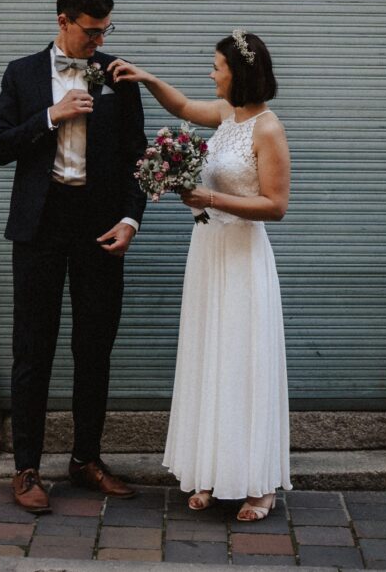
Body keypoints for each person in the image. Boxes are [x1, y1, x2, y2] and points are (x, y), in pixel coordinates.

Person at [109, 30, 292, 522]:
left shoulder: (268, 129)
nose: (211, 75)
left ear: (239, 73)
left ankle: (257, 486)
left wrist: (210, 197)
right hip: (208, 251)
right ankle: (212, 471)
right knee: (211, 359)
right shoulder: (228, 115)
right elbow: (185, 107)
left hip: (243, 256)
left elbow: (276, 205)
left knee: (241, 362)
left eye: (217, 67)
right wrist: (147, 78)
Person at [0, 0, 147, 513]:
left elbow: (138, 157)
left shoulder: (118, 76)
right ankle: (27, 468)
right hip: (41, 225)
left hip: (100, 228)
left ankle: (86, 460)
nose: (99, 42)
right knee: (33, 348)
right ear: (63, 21)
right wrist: (50, 116)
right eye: (91, 31)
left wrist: (131, 219)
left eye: (105, 31)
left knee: (94, 347)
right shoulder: (23, 73)